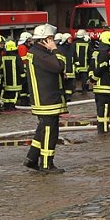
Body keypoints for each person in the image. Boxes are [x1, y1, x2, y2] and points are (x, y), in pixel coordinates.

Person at [24, 24, 68, 173]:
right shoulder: (41, 54)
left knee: (43, 129)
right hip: (47, 100)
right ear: (45, 39)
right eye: (51, 39)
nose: (53, 41)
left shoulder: (37, 53)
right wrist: (55, 49)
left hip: (44, 99)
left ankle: (32, 158)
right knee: (50, 131)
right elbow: (59, 66)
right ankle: (46, 164)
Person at [90, 29, 110, 134]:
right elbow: (101, 69)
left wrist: (91, 79)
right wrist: (94, 78)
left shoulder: (95, 53)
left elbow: (91, 67)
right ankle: (104, 130)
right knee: (105, 109)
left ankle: (101, 129)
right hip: (104, 86)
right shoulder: (105, 54)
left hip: (97, 87)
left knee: (100, 110)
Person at [0, 39, 24, 110]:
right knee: (14, 94)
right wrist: (23, 76)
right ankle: (12, 106)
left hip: (6, 80)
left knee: (7, 93)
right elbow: (20, 67)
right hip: (15, 80)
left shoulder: (3, 57)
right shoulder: (17, 57)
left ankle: (6, 105)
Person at [56, 32, 75, 101]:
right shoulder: (61, 48)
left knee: (70, 83)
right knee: (64, 83)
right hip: (64, 68)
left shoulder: (72, 47)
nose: (71, 40)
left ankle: (68, 96)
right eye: (69, 39)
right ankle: (64, 95)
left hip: (70, 68)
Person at [72, 29, 91, 94]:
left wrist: (75, 61)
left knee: (73, 78)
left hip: (76, 64)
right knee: (84, 78)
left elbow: (72, 53)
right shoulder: (87, 44)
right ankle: (84, 90)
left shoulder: (74, 43)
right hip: (85, 65)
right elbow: (90, 54)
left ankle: (73, 90)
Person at [17, 31, 33, 106]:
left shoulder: (23, 47)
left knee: (26, 87)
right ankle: (25, 101)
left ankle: (26, 101)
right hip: (24, 70)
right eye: (29, 40)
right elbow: (24, 59)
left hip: (25, 69)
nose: (31, 42)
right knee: (25, 86)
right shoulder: (22, 48)